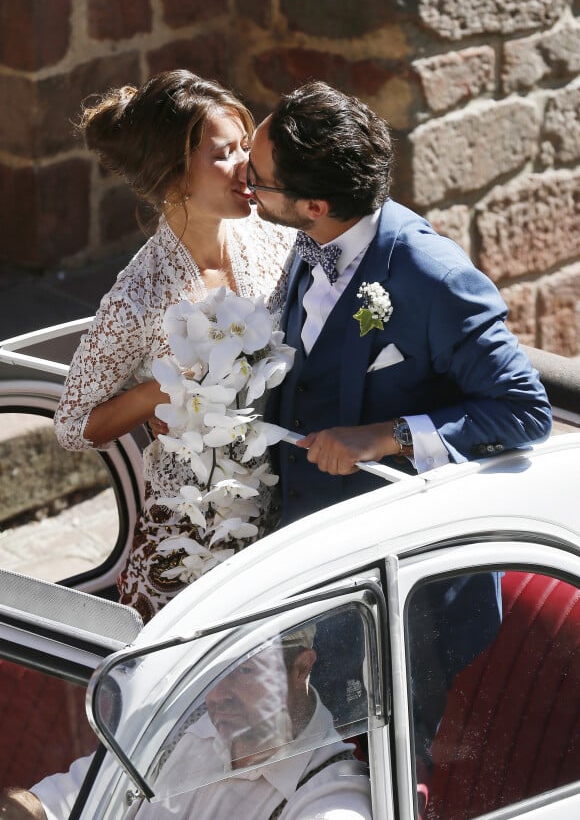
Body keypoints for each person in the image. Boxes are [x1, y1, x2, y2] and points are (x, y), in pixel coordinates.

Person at [246, 80, 552, 766]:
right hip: (317, 569)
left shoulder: (433, 277)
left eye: (256, 179)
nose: (247, 187)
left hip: (411, 604)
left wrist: (389, 434)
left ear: (314, 204)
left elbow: (525, 410)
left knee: (398, 774)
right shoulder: (308, 240)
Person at [53, 70, 295, 624]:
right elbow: (73, 424)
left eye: (244, 148)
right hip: (190, 543)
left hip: (288, 522)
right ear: (176, 173)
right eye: (225, 154)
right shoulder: (137, 297)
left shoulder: (277, 235)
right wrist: (161, 391)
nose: (247, 167)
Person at [0, 627, 372, 820]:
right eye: (207, 675)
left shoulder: (333, 798)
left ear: (302, 667)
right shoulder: (179, 730)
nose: (218, 694)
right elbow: (65, 801)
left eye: (243, 671)